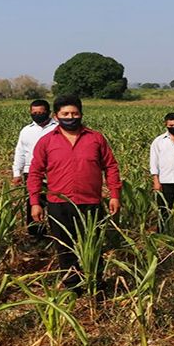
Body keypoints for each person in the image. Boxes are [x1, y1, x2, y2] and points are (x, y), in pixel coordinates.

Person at [27, 95, 122, 292]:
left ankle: (96, 285)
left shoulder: (95, 138)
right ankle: (73, 287)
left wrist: (115, 194)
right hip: (58, 204)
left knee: (94, 245)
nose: (71, 117)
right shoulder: (46, 142)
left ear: (81, 114)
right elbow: (35, 172)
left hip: (90, 202)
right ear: (56, 116)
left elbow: (111, 166)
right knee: (65, 247)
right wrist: (35, 201)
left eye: (75, 113)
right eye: (65, 114)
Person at [12, 99, 57, 241]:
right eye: (34, 113)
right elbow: (20, 152)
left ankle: (57, 234)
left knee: (56, 204)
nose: (37, 115)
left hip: (54, 171)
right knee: (33, 202)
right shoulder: (26, 131)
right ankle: (36, 236)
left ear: (48, 112)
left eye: (41, 112)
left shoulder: (58, 128)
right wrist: (16, 173)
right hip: (31, 172)